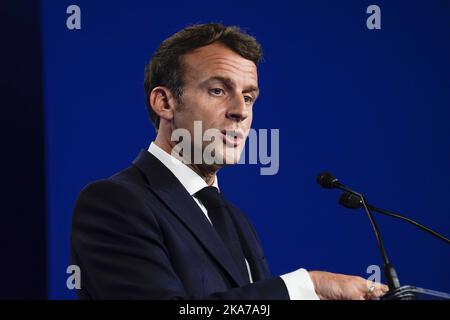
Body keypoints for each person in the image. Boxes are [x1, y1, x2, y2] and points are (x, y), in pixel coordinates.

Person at [71, 23, 388, 300]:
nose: (241, 111)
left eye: (249, 96)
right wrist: (307, 287)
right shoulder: (115, 203)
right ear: (164, 102)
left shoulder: (234, 219)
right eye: (218, 90)